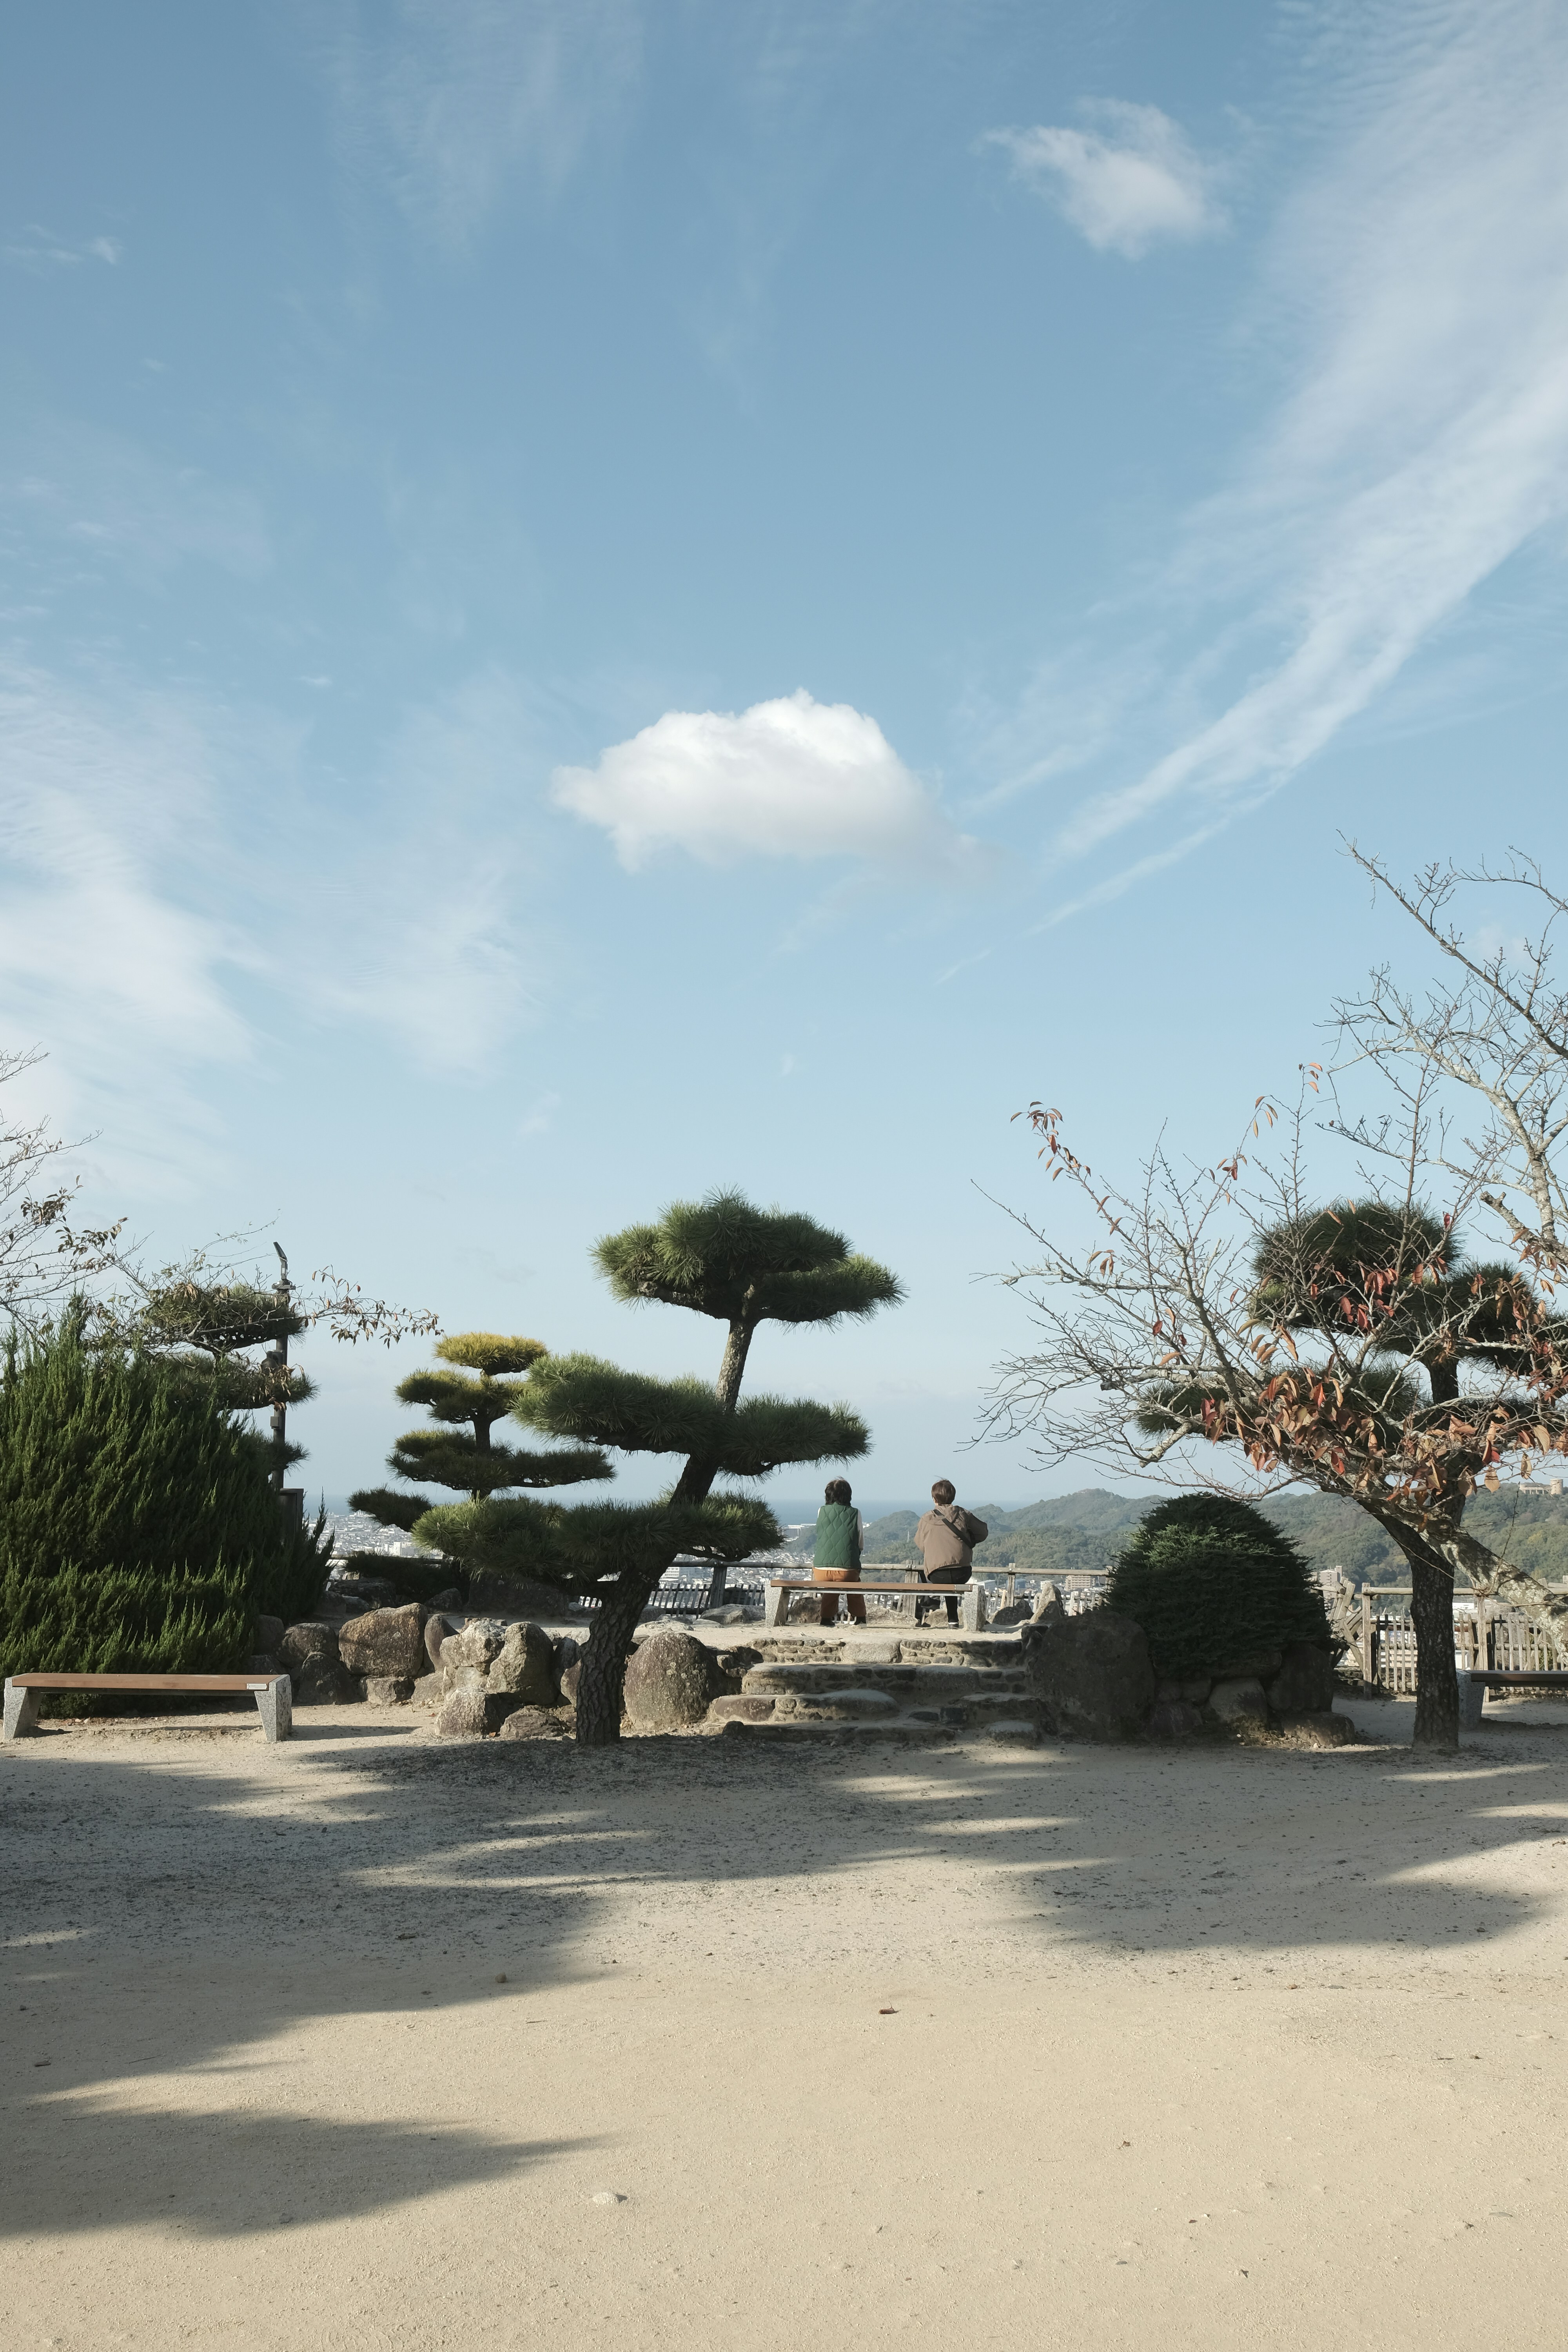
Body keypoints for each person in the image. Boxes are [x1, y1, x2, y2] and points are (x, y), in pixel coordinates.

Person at [913, 1480, 988, 1626]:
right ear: (953, 1496)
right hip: (962, 1571)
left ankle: (942, 1612)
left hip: (937, 1574)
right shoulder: (963, 1514)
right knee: (953, 1581)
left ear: (934, 1499)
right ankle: (954, 1620)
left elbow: (921, 1544)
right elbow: (983, 1533)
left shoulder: (926, 1519)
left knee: (944, 1580)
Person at [812, 1477, 867, 1626]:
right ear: (848, 1495)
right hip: (848, 1570)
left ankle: (826, 1618)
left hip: (821, 1570)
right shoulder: (856, 1513)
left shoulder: (821, 1511)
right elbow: (860, 1541)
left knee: (831, 1585)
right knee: (854, 1583)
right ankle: (861, 1618)